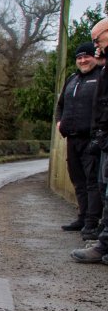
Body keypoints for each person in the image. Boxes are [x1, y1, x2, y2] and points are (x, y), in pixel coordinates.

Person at [56, 41, 102, 238]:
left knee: (92, 181)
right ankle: (82, 217)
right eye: (79, 57)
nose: (83, 60)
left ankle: (92, 223)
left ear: (95, 57)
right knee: (78, 180)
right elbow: (61, 105)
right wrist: (59, 121)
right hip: (72, 138)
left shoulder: (101, 77)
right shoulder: (72, 79)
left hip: (91, 138)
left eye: (87, 56)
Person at [71, 19, 108, 264]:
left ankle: (95, 230)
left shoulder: (98, 74)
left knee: (100, 186)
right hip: (96, 135)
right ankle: (100, 238)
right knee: (97, 185)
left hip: (96, 135)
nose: (96, 47)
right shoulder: (77, 79)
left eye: (98, 40)